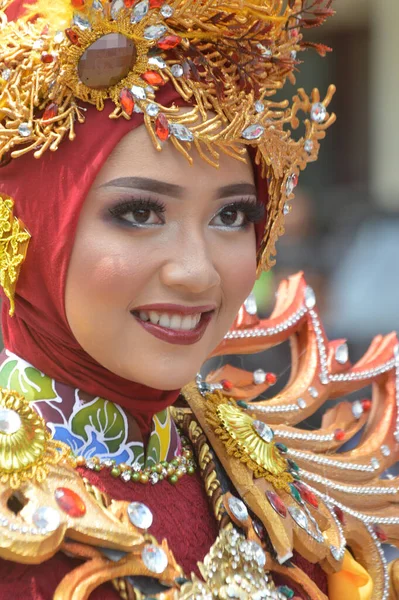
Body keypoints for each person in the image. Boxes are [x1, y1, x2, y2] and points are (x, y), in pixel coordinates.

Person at [0, 0, 397, 599]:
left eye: (232, 215)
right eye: (138, 212)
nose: (195, 272)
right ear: (25, 224)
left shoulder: (278, 491)